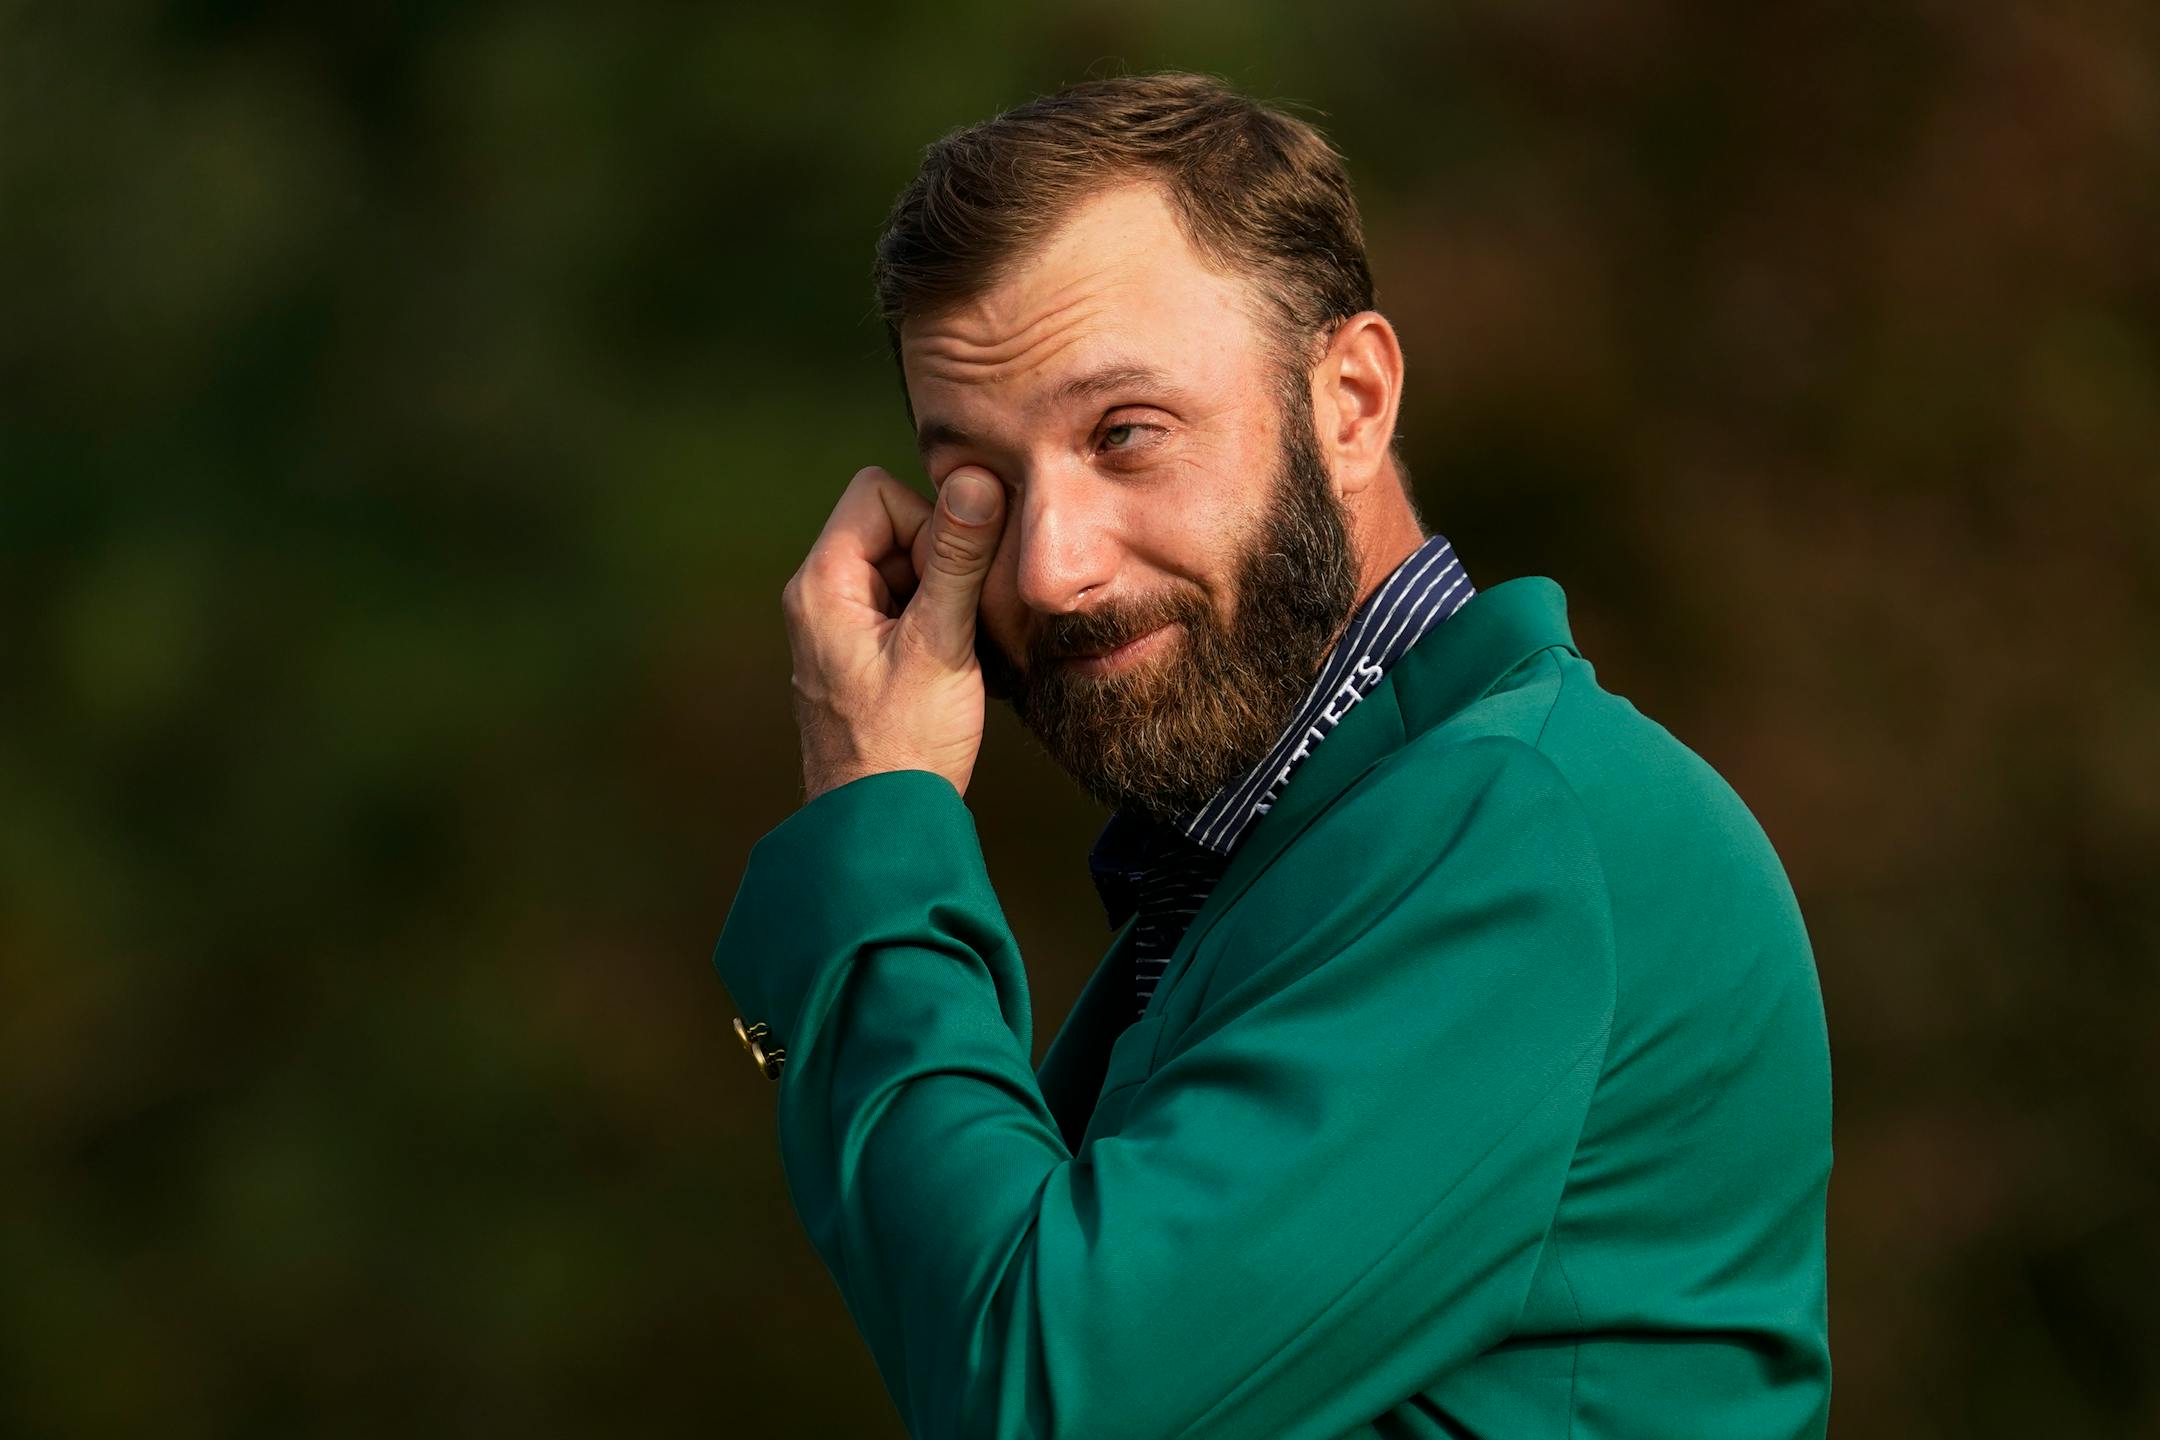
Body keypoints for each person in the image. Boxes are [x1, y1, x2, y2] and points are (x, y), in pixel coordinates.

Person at [713, 70, 1832, 1440]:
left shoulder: (1517, 832)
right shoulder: (1292, 855)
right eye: (980, 486)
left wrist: (876, 825)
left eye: (1125, 434)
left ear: (1351, 401)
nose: (1050, 567)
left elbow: (1039, 1395)